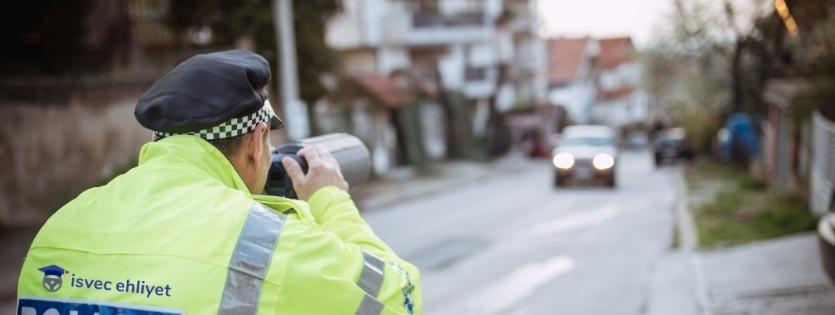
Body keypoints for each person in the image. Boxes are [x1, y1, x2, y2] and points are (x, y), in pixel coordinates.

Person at [16, 49, 421, 315]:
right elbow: (401, 299)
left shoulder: (63, 224)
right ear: (255, 141)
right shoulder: (264, 243)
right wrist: (329, 199)